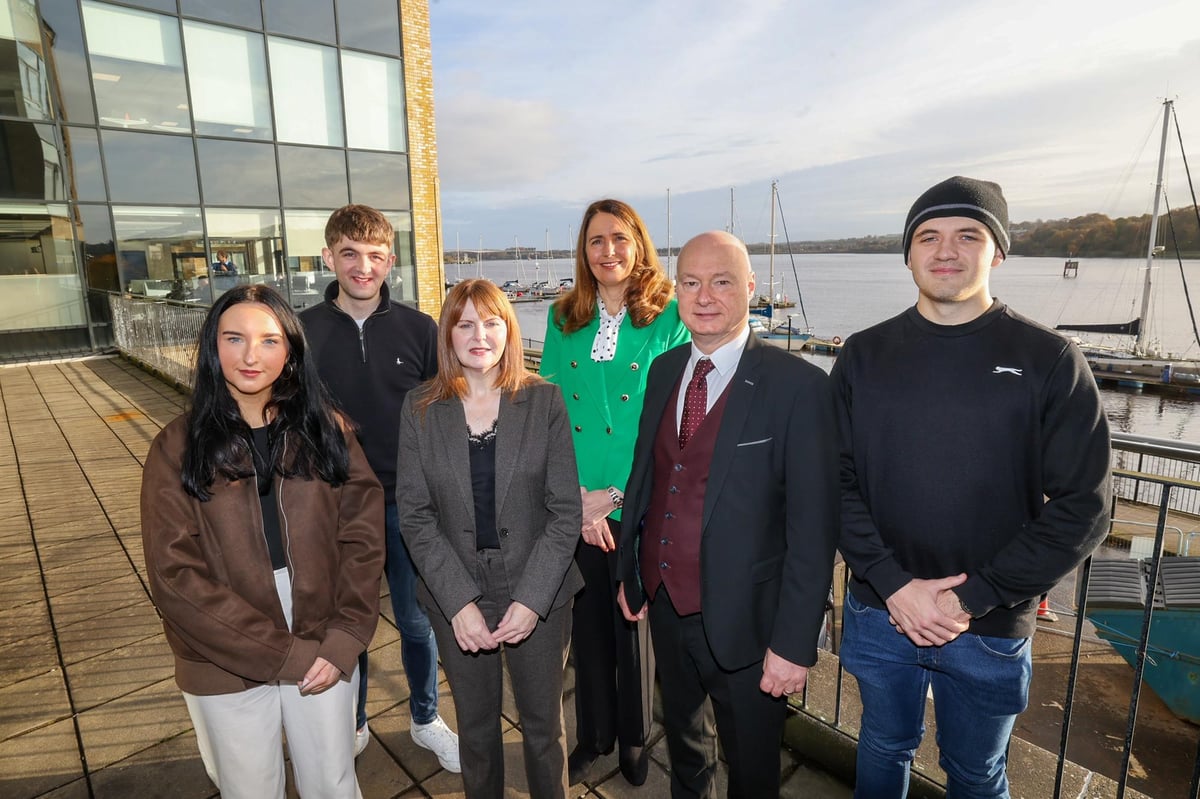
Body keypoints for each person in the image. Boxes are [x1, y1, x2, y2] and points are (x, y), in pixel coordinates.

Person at [831, 176, 1112, 798]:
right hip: (880, 612)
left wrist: (972, 598)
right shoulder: (864, 355)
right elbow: (835, 479)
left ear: (998, 251)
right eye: (927, 236)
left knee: (978, 773)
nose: (945, 250)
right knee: (880, 747)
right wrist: (894, 584)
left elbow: (1085, 507)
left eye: (968, 235)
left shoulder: (1049, 359)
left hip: (988, 626)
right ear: (908, 254)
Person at [139, 284, 385, 798]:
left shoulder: (328, 431)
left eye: (270, 340)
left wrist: (346, 636)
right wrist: (284, 656)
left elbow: (362, 541)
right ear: (212, 347)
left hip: (324, 634)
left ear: (291, 351)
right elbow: (174, 576)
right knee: (249, 788)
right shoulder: (176, 446)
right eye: (235, 338)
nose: (252, 355)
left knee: (333, 783)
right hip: (220, 650)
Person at [617, 231, 839, 798]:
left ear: (750, 287)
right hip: (666, 606)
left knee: (752, 767)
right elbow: (648, 478)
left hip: (751, 625)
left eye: (721, 281)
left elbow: (813, 532)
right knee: (686, 745)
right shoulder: (665, 370)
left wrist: (794, 643)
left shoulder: (800, 388)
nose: (704, 295)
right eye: (690, 282)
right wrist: (631, 575)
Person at [397, 279, 583, 798]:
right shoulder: (419, 408)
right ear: (448, 334)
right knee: (477, 731)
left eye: (492, 322)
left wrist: (532, 599)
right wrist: (458, 603)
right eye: (465, 324)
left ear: (508, 329)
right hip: (454, 585)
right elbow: (414, 515)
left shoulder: (544, 401)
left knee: (544, 729)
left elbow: (565, 511)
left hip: (536, 584)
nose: (480, 335)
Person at [299, 204, 460, 769]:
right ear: (329, 257)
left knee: (418, 622)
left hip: (408, 504)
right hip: (334, 505)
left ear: (390, 260)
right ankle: (356, 719)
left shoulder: (420, 328)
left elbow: (445, 415)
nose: (362, 267)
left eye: (373, 256)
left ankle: (424, 717)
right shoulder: (301, 331)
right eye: (349, 254)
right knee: (349, 619)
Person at [539, 198, 689, 786]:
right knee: (589, 626)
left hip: (636, 499)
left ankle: (633, 738)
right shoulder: (562, 316)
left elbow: (677, 422)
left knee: (634, 624)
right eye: (597, 241)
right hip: (576, 503)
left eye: (620, 239)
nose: (609, 251)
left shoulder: (669, 315)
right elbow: (549, 409)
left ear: (639, 244)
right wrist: (574, 497)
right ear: (584, 250)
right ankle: (593, 733)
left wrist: (617, 497)